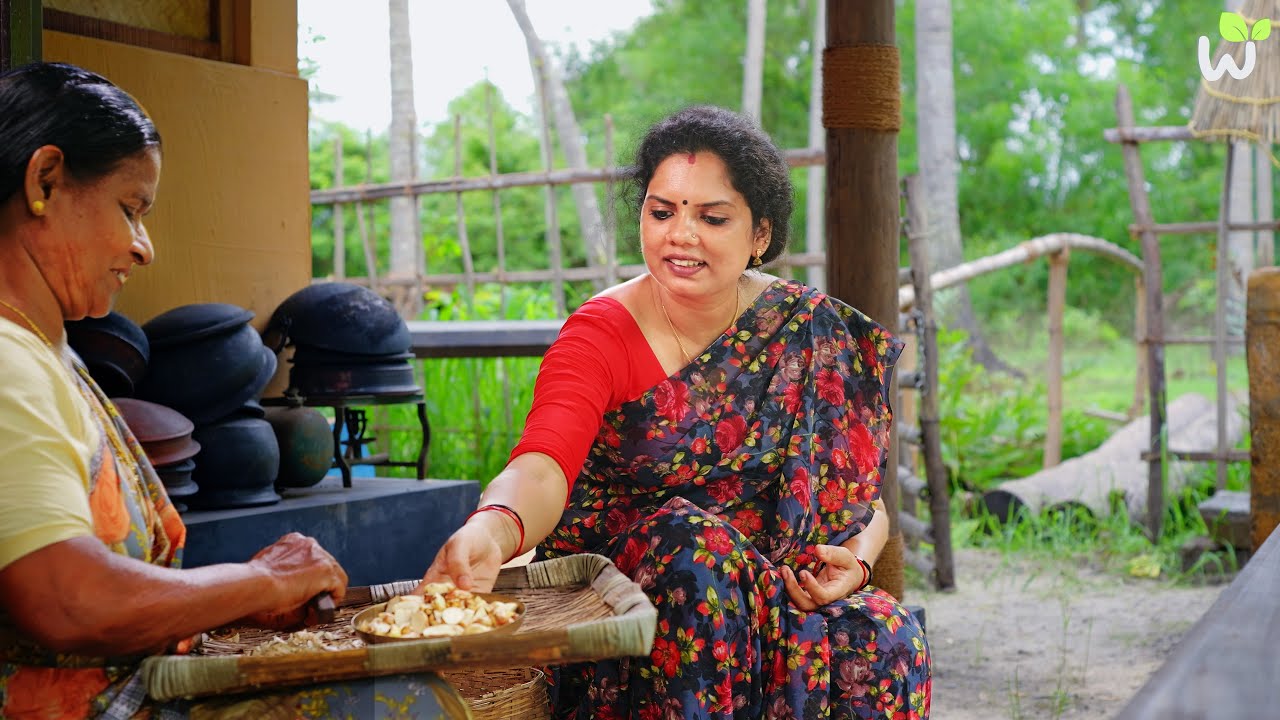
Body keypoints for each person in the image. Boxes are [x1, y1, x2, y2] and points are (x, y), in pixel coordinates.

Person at [424, 105, 932, 719]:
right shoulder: (600, 333)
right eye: (662, 212)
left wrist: (857, 562)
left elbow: (860, 500)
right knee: (694, 551)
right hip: (643, 596)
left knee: (885, 634)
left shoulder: (810, 327)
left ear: (760, 235)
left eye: (712, 217)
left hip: (781, 590)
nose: (680, 235)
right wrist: (494, 528)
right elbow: (541, 466)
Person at [0, 63, 464, 719]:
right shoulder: (7, 360)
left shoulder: (46, 351)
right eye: (130, 209)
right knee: (400, 704)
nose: (144, 248)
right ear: (45, 181)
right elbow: (66, 599)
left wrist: (236, 595)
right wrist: (261, 580)